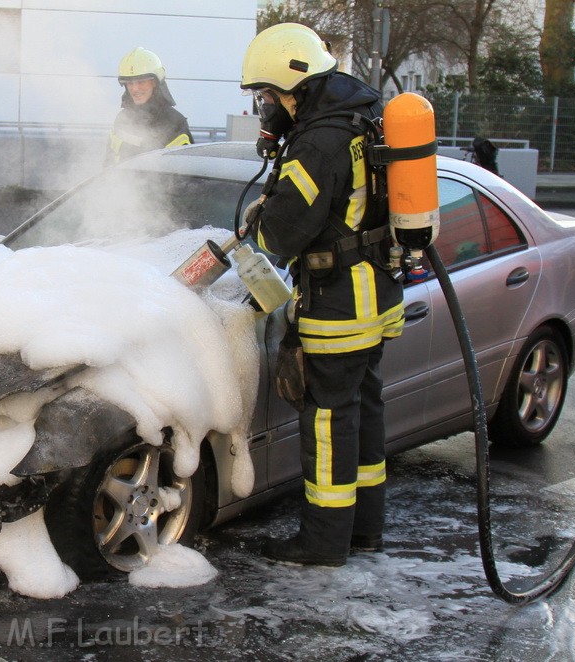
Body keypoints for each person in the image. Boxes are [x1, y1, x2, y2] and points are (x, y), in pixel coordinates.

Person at [240, 23, 404, 567]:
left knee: (330, 424)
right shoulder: (361, 117)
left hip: (338, 303)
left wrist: (260, 220)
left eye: (268, 96)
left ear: (297, 87)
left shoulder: (317, 142)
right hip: (375, 295)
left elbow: (281, 236)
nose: (266, 107)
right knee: (363, 415)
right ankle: (365, 531)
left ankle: (322, 543)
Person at [107, 47, 192, 164]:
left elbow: (184, 173)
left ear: (155, 83)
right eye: (130, 83)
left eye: (141, 82)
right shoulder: (122, 119)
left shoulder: (175, 123)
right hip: (119, 182)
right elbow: (109, 162)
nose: (135, 88)